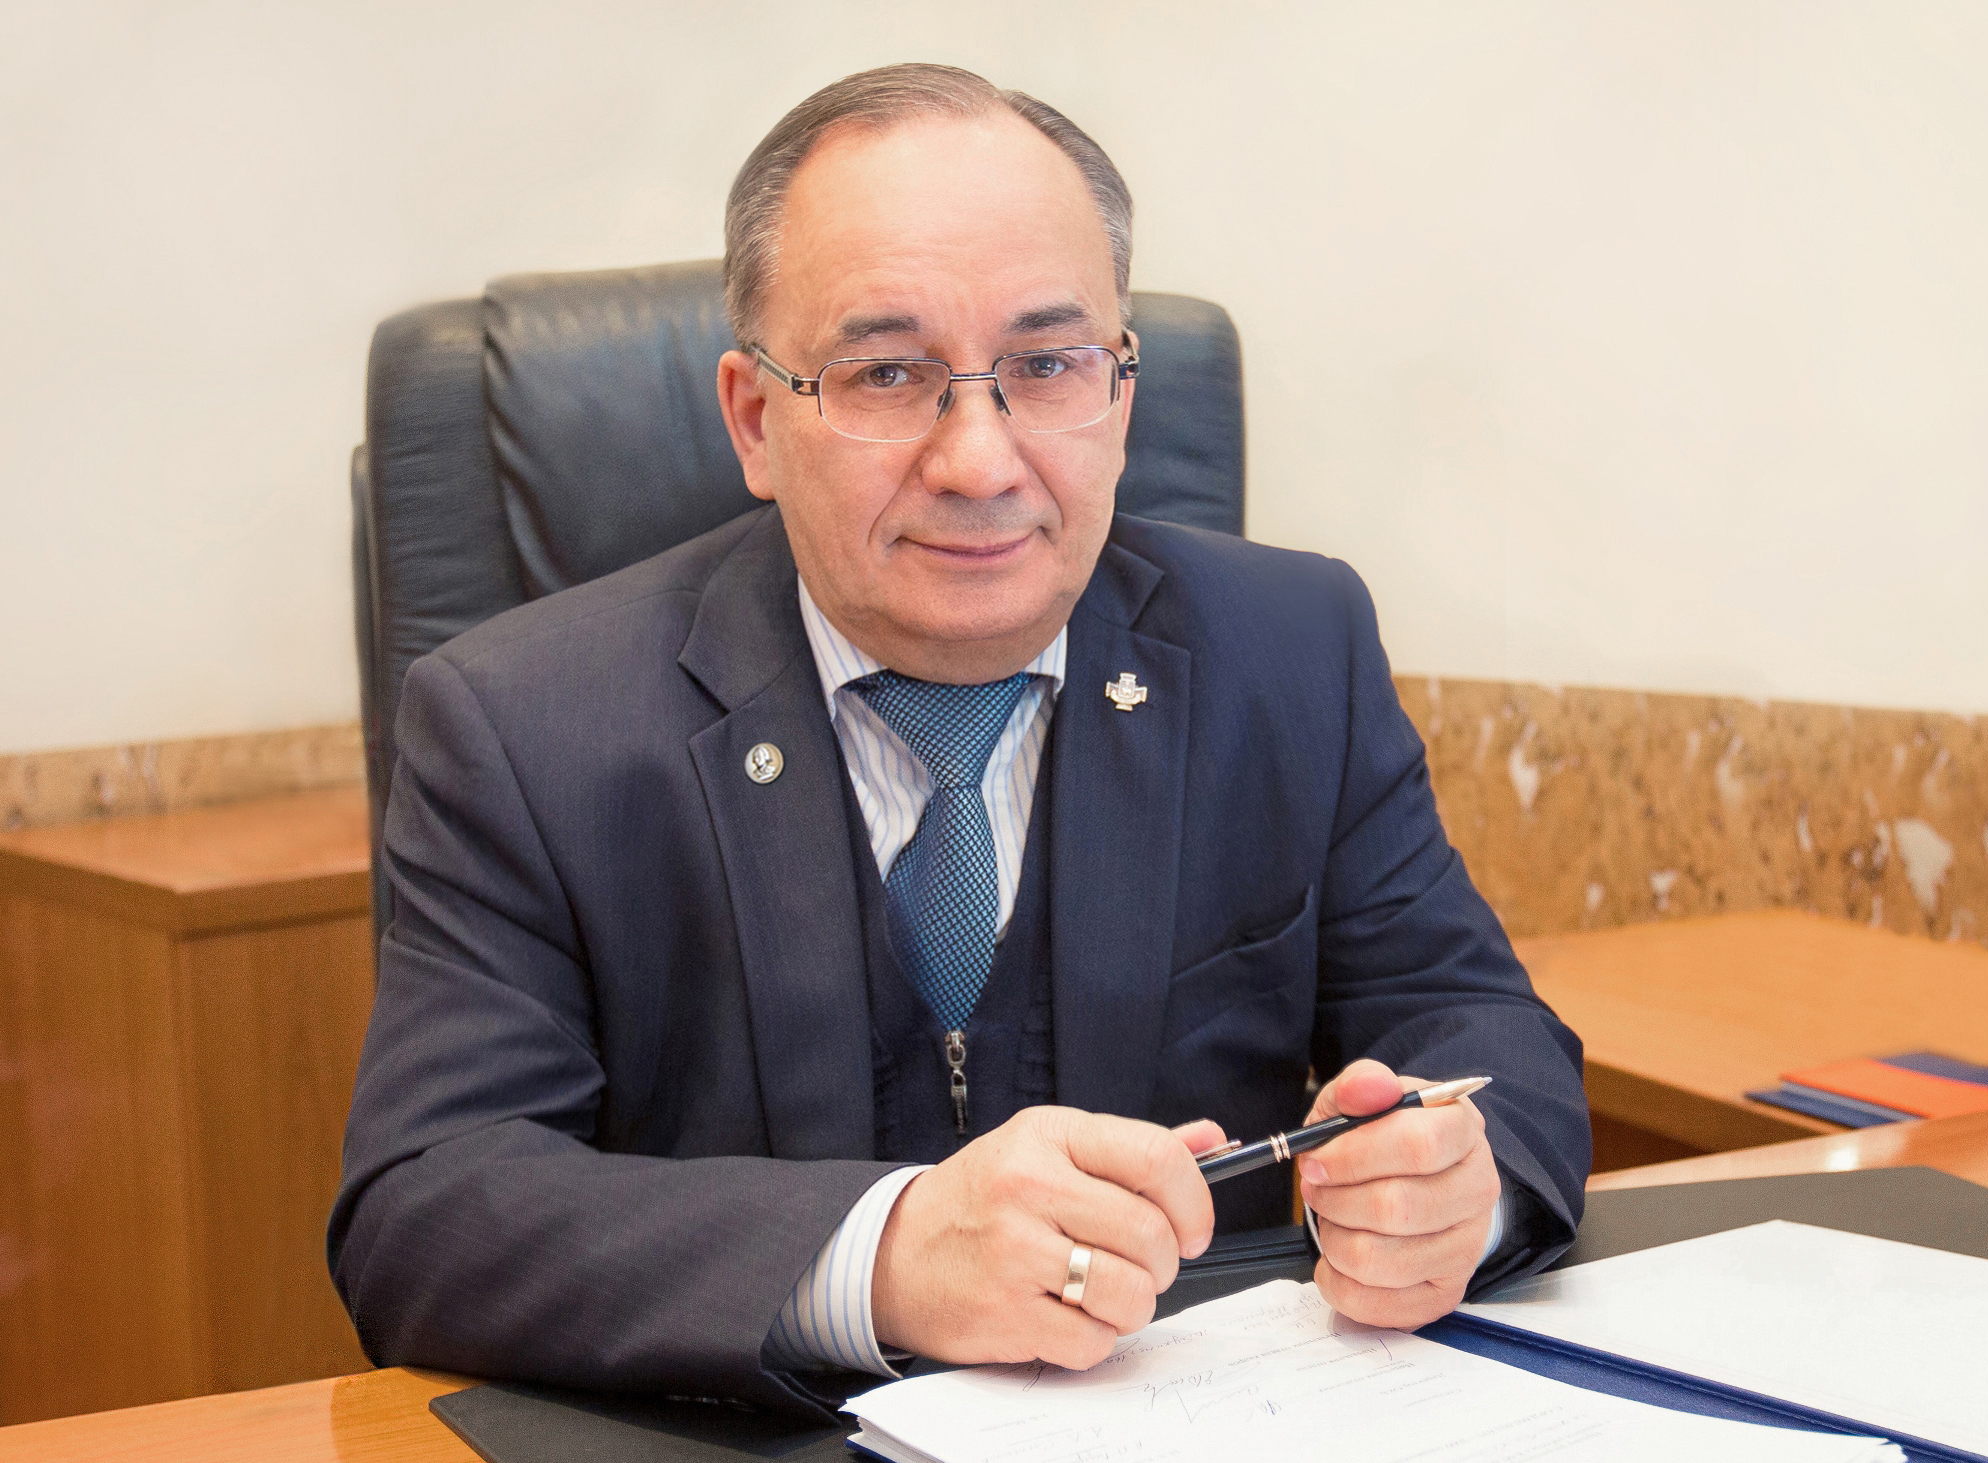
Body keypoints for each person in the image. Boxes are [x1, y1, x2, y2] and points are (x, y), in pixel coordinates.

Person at [329, 63, 1590, 1419]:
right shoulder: (524, 726)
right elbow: (430, 1209)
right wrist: (882, 1260)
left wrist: (1459, 1189)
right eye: (887, 374)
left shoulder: (1290, 652)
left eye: (1046, 366)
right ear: (755, 420)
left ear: (1120, 392)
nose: (981, 462)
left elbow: (1484, 1033)